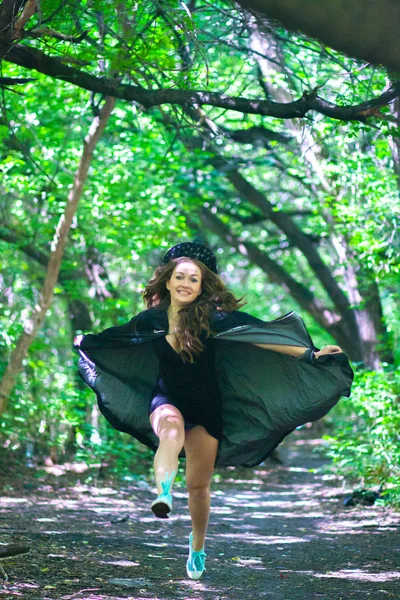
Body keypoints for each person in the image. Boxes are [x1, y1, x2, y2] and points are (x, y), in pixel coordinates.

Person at [75, 242, 353, 580]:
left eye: (194, 279)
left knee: (198, 488)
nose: (186, 284)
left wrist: (310, 355)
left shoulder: (214, 319)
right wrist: (85, 343)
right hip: (166, 398)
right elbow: (115, 340)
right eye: (180, 277)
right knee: (170, 433)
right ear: (167, 281)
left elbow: (261, 336)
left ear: (202, 285)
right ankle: (163, 493)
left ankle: (197, 545)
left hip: (207, 407)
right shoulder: (151, 320)